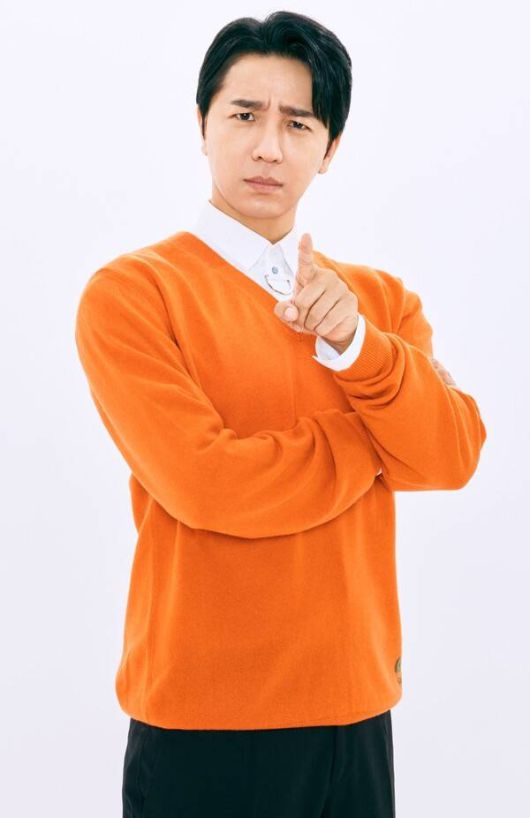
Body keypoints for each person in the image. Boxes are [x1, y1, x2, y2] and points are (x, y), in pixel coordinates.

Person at [74, 10, 487, 817]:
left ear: (329, 148)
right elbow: (208, 485)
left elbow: (451, 457)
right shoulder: (132, 294)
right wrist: (375, 439)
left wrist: (359, 348)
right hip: (203, 724)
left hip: (358, 712)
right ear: (202, 125)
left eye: (298, 123)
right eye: (244, 115)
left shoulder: (379, 303)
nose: (269, 146)